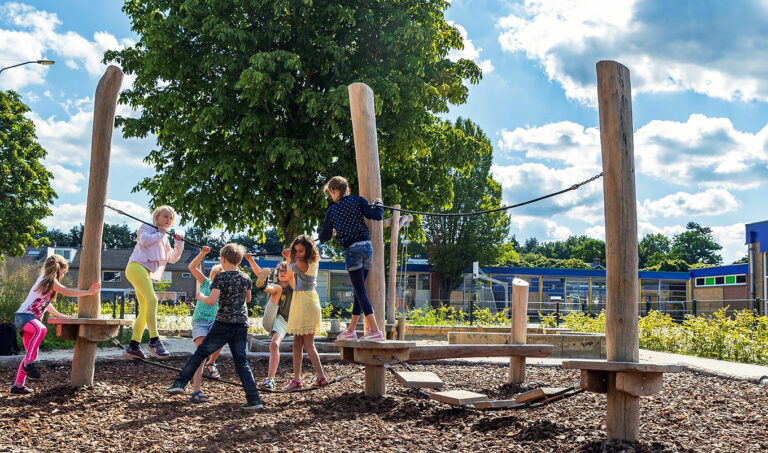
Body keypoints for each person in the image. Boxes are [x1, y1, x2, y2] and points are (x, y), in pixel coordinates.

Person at [167, 243, 263, 410]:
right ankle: (254, 400)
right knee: (241, 362)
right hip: (241, 324)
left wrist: (201, 297)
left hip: (223, 322)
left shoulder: (221, 277)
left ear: (224, 259)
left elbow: (212, 301)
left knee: (201, 353)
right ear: (239, 261)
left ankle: (180, 383)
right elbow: (247, 299)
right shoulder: (246, 278)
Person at [11, 255, 101, 395]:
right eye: (64, 272)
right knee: (41, 330)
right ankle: (28, 364)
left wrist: (61, 316)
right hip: (24, 317)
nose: (63, 275)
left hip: (29, 321)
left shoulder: (47, 283)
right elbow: (67, 291)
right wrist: (89, 292)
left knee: (32, 354)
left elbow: (46, 305)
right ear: (59, 270)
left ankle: (18, 386)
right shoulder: (48, 280)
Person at [318, 176, 385, 341]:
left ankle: (375, 331)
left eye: (330, 193)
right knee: (358, 291)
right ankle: (351, 330)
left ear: (333, 191)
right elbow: (376, 215)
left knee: (360, 291)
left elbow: (323, 236)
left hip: (352, 251)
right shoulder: (358, 200)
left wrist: (332, 232)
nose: (331, 196)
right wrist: (379, 205)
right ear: (347, 190)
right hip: (367, 248)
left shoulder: (332, 210)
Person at [123, 206, 184, 359]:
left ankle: (133, 346)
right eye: (165, 216)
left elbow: (172, 258)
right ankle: (154, 341)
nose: (168, 220)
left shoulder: (164, 237)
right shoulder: (147, 227)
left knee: (145, 308)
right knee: (152, 300)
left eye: (171, 218)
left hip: (145, 272)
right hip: (136, 267)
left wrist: (179, 243)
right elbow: (143, 241)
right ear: (156, 217)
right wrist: (159, 233)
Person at [282, 235, 327, 391]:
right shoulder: (313, 260)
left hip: (305, 302)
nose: (299, 253)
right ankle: (297, 379)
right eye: (297, 251)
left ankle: (320, 377)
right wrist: (290, 255)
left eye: (301, 250)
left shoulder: (302, 263)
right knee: (297, 342)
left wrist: (288, 257)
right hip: (305, 300)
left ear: (308, 249)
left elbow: (290, 267)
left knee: (307, 343)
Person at [185, 246, 224, 402]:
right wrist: (203, 254)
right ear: (212, 275)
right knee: (200, 353)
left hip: (215, 321)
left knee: (221, 342)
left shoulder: (225, 290)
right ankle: (196, 391)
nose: (219, 279)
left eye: (222, 277)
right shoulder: (206, 282)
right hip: (201, 320)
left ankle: (211, 363)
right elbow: (192, 267)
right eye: (217, 276)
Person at [248, 259, 293, 391]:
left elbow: (294, 270)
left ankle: (270, 380)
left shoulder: (293, 286)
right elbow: (259, 272)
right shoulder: (277, 285)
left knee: (274, 344)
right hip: (270, 317)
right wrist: (250, 260)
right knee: (276, 288)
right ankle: (263, 285)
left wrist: (289, 258)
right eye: (280, 271)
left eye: (285, 270)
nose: (282, 272)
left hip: (283, 320)